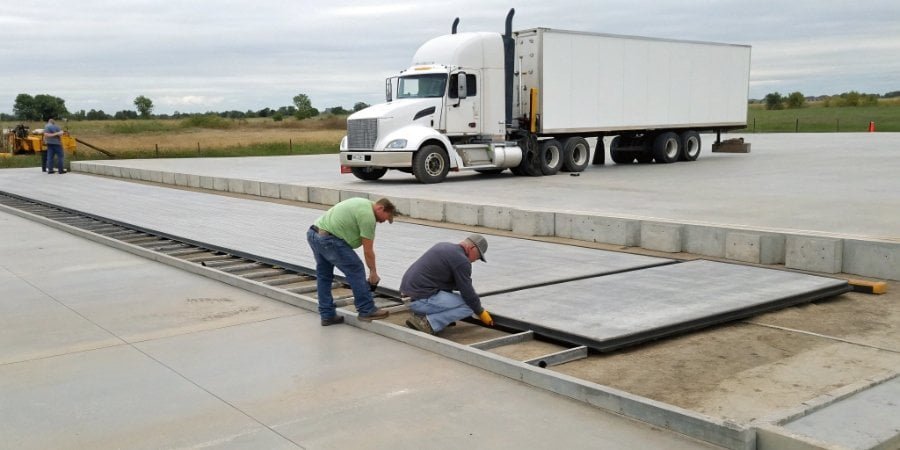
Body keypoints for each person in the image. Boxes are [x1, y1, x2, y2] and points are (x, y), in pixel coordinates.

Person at [307, 197, 396, 326]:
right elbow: (368, 251)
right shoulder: (368, 216)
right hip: (329, 240)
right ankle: (366, 309)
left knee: (324, 276)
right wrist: (373, 272)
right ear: (380, 208)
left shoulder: (362, 203)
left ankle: (327, 315)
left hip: (314, 233)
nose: (383, 221)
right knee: (356, 269)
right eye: (385, 218)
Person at [400, 234, 494, 335]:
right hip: (419, 300)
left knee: (454, 295)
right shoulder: (462, 261)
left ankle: (421, 315)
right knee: (470, 306)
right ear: (472, 248)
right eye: (478, 256)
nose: (475, 260)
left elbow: (447, 283)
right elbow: (467, 293)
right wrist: (480, 311)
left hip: (408, 295)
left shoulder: (444, 246)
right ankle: (428, 323)